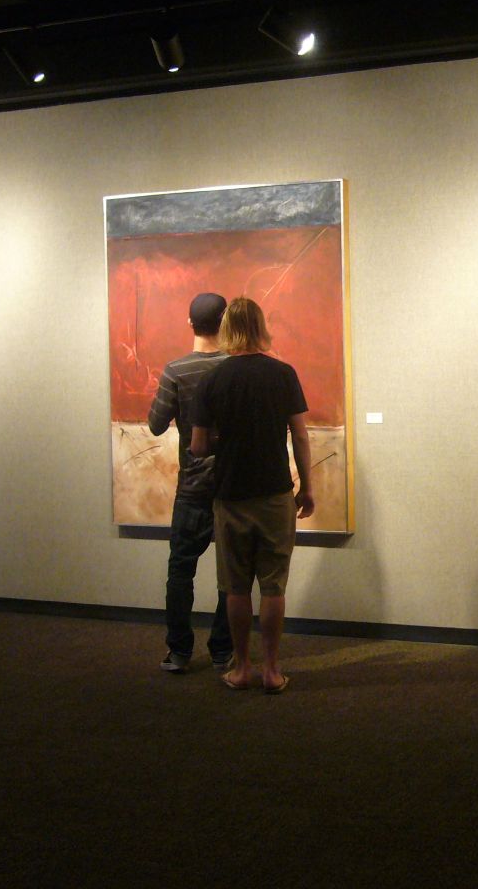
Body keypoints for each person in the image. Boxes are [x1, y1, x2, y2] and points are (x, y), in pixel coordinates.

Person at [190, 297, 314, 694]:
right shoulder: (282, 374)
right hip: (275, 494)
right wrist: (307, 488)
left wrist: (225, 438)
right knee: (273, 586)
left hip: (230, 495)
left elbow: (197, 447)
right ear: (261, 326)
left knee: (237, 587)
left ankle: (242, 668)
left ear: (227, 330)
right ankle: (273, 670)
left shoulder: (212, 379)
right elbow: (300, 434)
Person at [149, 292, 234, 674]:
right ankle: (222, 651)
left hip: (193, 487)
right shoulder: (236, 368)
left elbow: (154, 424)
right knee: (231, 574)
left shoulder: (175, 371)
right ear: (225, 321)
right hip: (232, 487)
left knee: (180, 571)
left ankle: (180, 651)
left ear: (190, 323)